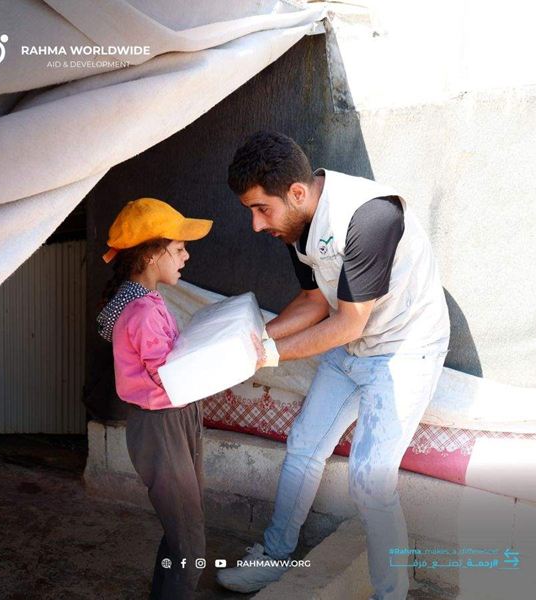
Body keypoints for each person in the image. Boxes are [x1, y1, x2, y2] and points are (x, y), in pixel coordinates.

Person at [217, 131, 450, 600]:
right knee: (304, 444)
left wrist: (269, 355)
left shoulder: (372, 217)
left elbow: (346, 322)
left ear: (296, 193)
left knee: (370, 482)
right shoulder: (297, 223)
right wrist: (258, 337)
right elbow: (313, 301)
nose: (256, 225)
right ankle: (276, 556)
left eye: (262, 209)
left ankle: (390, 595)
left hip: (404, 349)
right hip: (352, 343)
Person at [96, 198, 213, 600]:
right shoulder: (142, 312)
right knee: (190, 544)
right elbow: (169, 373)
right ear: (150, 255)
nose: (186, 255)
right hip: (161, 426)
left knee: (183, 528)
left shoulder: (146, 301)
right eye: (179, 248)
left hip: (173, 420)